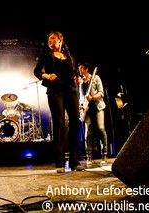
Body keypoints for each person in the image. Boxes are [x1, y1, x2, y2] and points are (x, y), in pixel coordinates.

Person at [33, 31, 83, 173]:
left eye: (53, 38)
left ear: (60, 40)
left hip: (70, 90)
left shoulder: (69, 56)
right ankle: (60, 162)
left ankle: (74, 161)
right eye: (49, 39)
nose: (50, 41)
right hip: (55, 91)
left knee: (74, 122)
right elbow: (36, 70)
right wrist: (47, 76)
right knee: (59, 123)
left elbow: (75, 72)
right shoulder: (47, 55)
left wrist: (78, 77)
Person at [77, 62, 108, 165]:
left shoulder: (96, 78)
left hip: (98, 107)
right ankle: (89, 156)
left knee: (101, 128)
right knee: (88, 132)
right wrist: (81, 105)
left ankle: (104, 153)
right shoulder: (81, 82)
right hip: (87, 109)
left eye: (81, 68)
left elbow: (101, 93)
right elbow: (82, 97)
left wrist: (92, 97)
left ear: (86, 69)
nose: (80, 70)